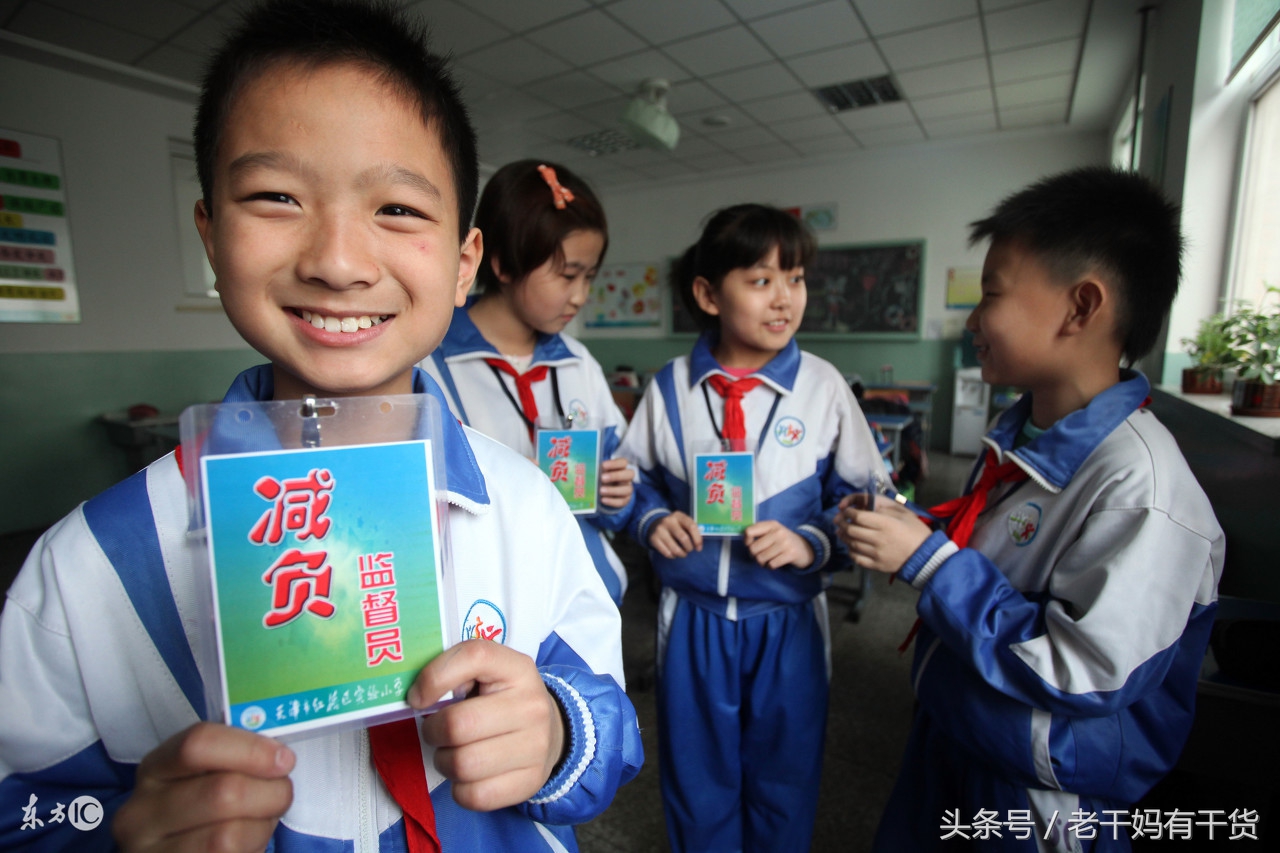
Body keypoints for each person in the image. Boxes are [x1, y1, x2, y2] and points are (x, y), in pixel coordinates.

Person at [0, 1, 642, 850]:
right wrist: (116, 829)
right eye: (275, 196)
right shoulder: (93, 565)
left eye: (400, 210)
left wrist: (560, 732)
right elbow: (24, 811)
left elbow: (608, 716)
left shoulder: (525, 508)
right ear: (210, 234)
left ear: (462, 264)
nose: (337, 261)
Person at [837, 167, 1224, 852]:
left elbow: (1082, 667)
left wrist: (931, 565)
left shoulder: (1144, 488)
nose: (973, 319)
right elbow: (1006, 560)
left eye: (991, 295)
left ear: (1080, 307)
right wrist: (915, 532)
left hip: (1041, 794)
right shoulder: (1030, 435)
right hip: (963, 732)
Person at [617, 203, 885, 852]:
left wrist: (812, 540)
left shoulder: (822, 387)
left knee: (785, 775)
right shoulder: (671, 388)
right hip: (694, 614)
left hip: (787, 616)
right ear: (709, 293)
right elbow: (629, 480)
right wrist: (652, 518)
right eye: (761, 279)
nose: (784, 297)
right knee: (696, 776)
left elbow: (870, 497)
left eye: (795, 278)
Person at [421, 159, 634, 605]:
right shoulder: (429, 368)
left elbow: (626, 480)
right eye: (567, 274)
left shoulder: (579, 364)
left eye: (589, 276)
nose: (581, 296)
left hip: (585, 603)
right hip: (488, 611)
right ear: (502, 263)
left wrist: (619, 498)